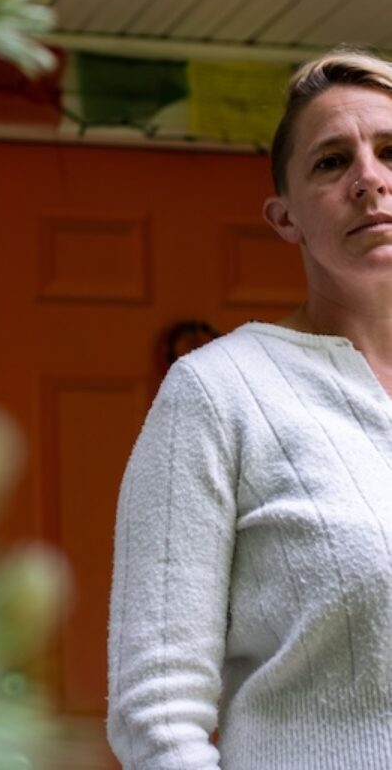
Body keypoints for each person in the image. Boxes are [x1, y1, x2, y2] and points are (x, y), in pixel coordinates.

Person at [107, 49, 392, 770]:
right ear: (285, 217)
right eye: (332, 162)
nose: (371, 179)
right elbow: (156, 714)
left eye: (391, 151)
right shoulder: (219, 392)